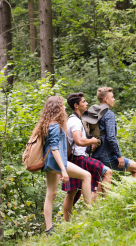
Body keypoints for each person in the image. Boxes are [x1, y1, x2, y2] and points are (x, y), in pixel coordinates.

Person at [31, 95, 92, 235]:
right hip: (56, 163)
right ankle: (91, 212)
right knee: (86, 176)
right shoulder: (54, 125)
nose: (65, 107)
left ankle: (49, 229)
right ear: (57, 108)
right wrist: (63, 170)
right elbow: (54, 148)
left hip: (51, 164)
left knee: (50, 194)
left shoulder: (50, 123)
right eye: (62, 105)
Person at [62, 92, 113, 221]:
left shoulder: (73, 120)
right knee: (107, 172)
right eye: (84, 101)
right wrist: (93, 141)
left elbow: (78, 142)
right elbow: (79, 140)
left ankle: (66, 223)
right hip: (79, 159)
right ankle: (104, 209)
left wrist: (87, 144)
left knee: (72, 192)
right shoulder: (75, 121)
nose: (87, 103)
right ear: (76, 105)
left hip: (75, 158)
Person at [84, 87, 136, 177]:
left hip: (95, 155)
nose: (114, 99)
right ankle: (133, 191)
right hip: (107, 155)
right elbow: (111, 137)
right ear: (106, 99)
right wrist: (119, 156)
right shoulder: (109, 114)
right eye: (112, 97)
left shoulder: (94, 113)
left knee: (101, 183)